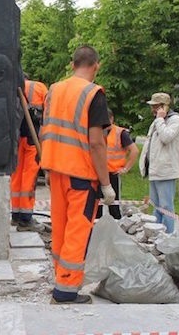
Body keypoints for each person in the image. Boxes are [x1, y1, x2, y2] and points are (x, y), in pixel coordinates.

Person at [40, 45, 115, 304]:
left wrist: (48, 167)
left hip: (56, 170)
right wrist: (106, 183)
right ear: (96, 65)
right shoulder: (94, 93)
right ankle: (67, 289)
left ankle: (61, 278)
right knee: (77, 231)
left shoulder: (54, 91)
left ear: (72, 65)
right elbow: (96, 143)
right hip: (80, 175)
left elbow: (46, 131)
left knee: (60, 228)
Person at [138, 92, 179, 233]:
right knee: (156, 206)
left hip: (166, 171)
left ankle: (169, 235)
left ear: (164, 106)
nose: (153, 110)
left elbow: (166, 137)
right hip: (155, 170)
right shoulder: (158, 120)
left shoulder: (174, 120)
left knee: (166, 207)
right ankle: (156, 234)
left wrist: (159, 120)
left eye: (156, 106)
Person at [10, 74, 48, 231]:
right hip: (33, 138)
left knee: (16, 177)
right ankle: (26, 218)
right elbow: (47, 113)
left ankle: (16, 215)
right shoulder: (39, 87)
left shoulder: (11, 88)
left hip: (16, 138)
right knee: (29, 178)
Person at [96, 108, 139, 219]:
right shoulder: (96, 131)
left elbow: (134, 150)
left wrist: (126, 168)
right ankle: (95, 231)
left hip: (113, 174)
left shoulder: (120, 133)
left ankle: (117, 230)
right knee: (96, 208)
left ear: (112, 119)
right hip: (98, 173)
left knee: (114, 207)